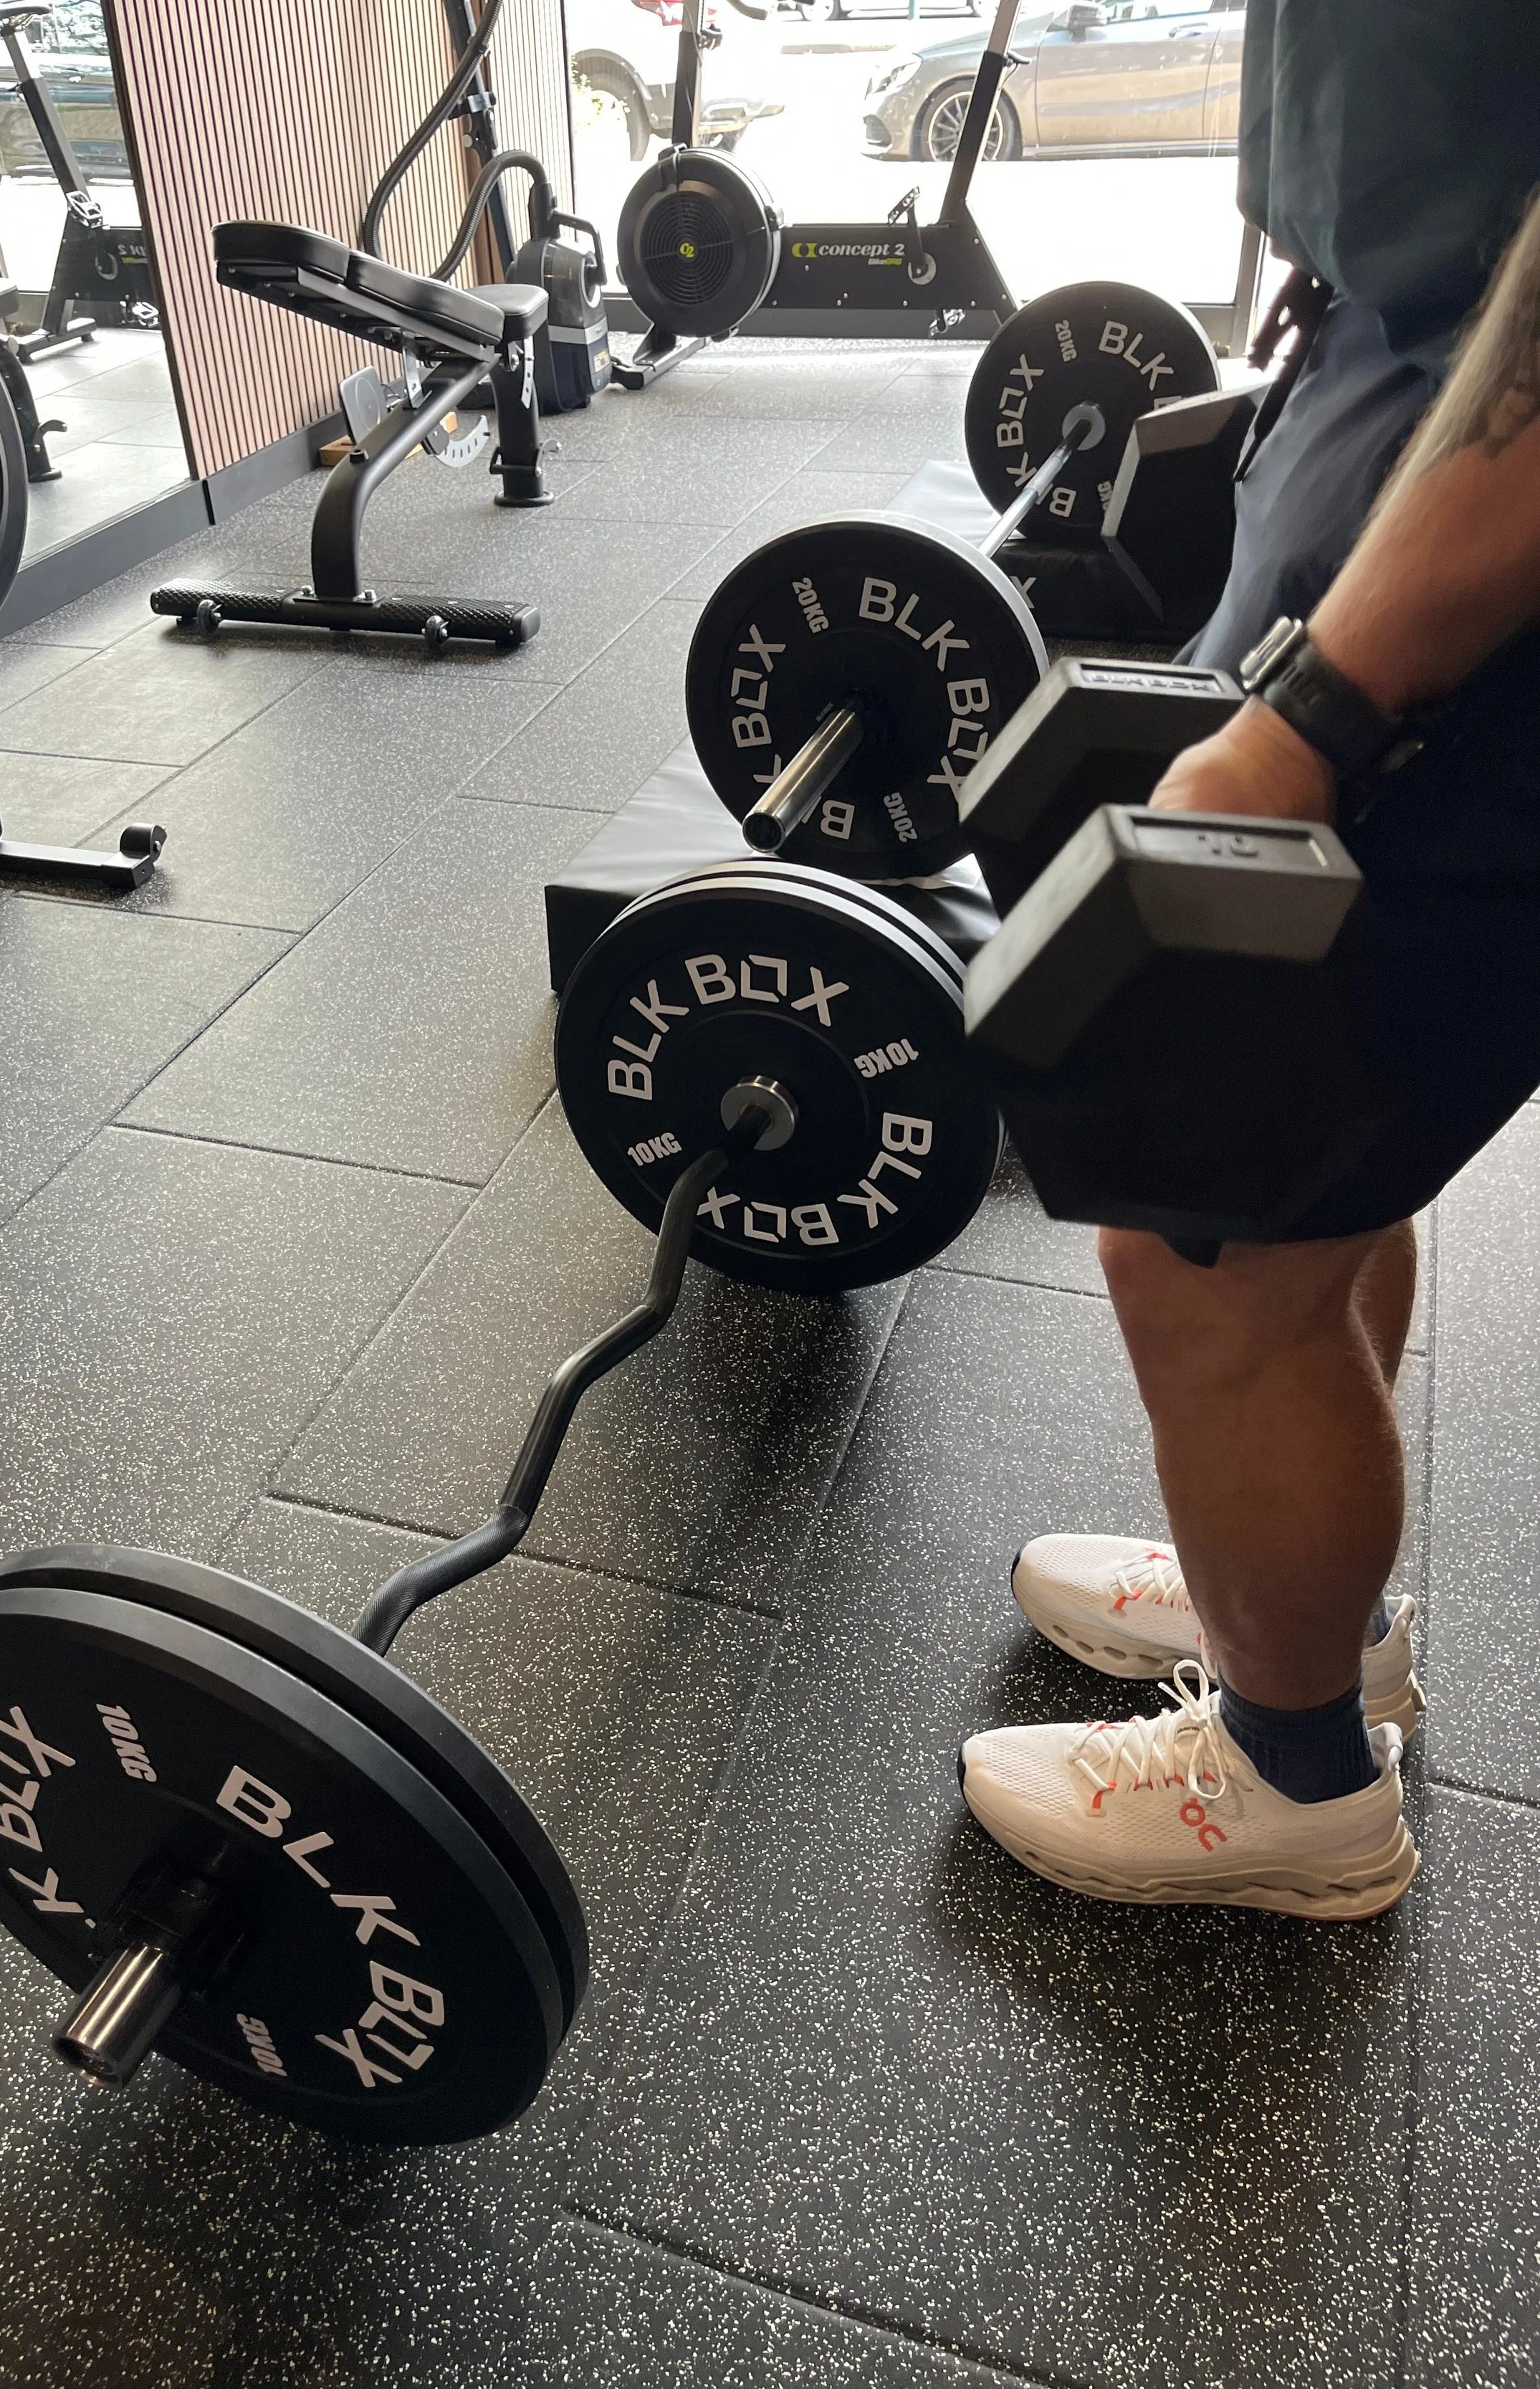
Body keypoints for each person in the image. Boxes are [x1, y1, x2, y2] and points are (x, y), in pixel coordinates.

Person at [960, 0, 1540, 1918]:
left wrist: (1310, 717)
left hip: (1477, 547)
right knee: (1312, 1154)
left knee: (1202, 1242)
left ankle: (1291, 1777)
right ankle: (1313, 1618)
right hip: (1393, 405)